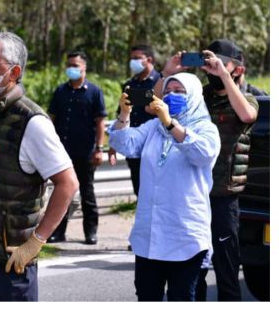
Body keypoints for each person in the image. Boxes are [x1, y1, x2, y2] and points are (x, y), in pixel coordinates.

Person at [0, 32, 78, 301]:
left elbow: (68, 183)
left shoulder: (31, 122)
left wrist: (36, 242)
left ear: (14, 72)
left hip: (9, 267)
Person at [156, 40, 257, 301]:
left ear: (238, 70)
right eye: (210, 64)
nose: (213, 69)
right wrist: (168, 74)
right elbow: (154, 105)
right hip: (192, 195)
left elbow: (246, 116)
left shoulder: (245, 98)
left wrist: (224, 76)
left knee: (226, 268)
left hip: (223, 195)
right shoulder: (198, 96)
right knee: (193, 269)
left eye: (222, 64)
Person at [109, 72, 220, 301]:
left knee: (182, 296)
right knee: (147, 296)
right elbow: (123, 143)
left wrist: (170, 124)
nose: (171, 96)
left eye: (179, 92)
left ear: (194, 96)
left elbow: (202, 154)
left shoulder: (206, 129)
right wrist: (124, 114)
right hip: (150, 234)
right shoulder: (153, 128)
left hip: (185, 234)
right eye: (167, 91)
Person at [47, 51, 107, 245]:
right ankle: (58, 232)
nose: (71, 68)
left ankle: (91, 232)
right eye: (69, 65)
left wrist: (99, 148)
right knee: (62, 192)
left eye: (75, 65)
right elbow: (52, 119)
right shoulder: (60, 91)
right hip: (62, 152)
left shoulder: (94, 92)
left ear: (84, 67)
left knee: (87, 193)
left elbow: (100, 123)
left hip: (85, 152)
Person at [109, 45, 162, 197]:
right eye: (132, 58)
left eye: (137, 58)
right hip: (133, 146)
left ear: (149, 59)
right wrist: (113, 145)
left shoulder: (160, 82)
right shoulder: (129, 84)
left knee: (155, 192)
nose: (133, 62)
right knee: (139, 190)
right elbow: (122, 113)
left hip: (154, 146)